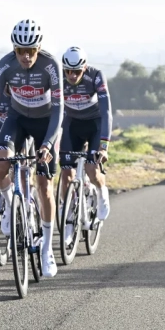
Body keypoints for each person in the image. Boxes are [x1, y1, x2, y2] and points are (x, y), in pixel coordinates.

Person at [0, 19, 63, 277]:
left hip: (45, 123)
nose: (25, 56)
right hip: (17, 119)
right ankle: (9, 205)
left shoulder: (51, 65)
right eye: (20, 50)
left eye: (31, 51)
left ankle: (46, 248)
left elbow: (59, 110)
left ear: (39, 47)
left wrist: (47, 144)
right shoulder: (5, 65)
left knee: (45, 185)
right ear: (13, 48)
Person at [59, 46, 112, 229]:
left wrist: (104, 146)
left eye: (77, 71)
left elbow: (106, 112)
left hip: (94, 125)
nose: (72, 75)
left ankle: (101, 190)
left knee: (91, 169)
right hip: (72, 124)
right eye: (68, 71)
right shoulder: (58, 78)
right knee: (66, 172)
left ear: (85, 67)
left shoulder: (96, 76)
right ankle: (69, 213)